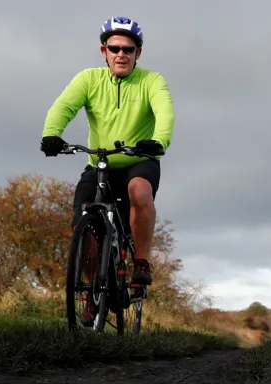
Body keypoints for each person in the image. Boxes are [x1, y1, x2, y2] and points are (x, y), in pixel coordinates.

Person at [40, 17, 174, 322]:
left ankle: (140, 262)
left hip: (139, 159)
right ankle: (92, 293)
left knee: (139, 189)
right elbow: (64, 107)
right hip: (98, 162)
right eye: (114, 48)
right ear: (104, 51)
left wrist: (157, 141)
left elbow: (164, 112)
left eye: (129, 48)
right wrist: (51, 133)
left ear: (138, 53)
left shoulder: (152, 81)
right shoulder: (88, 79)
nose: (121, 54)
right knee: (83, 224)